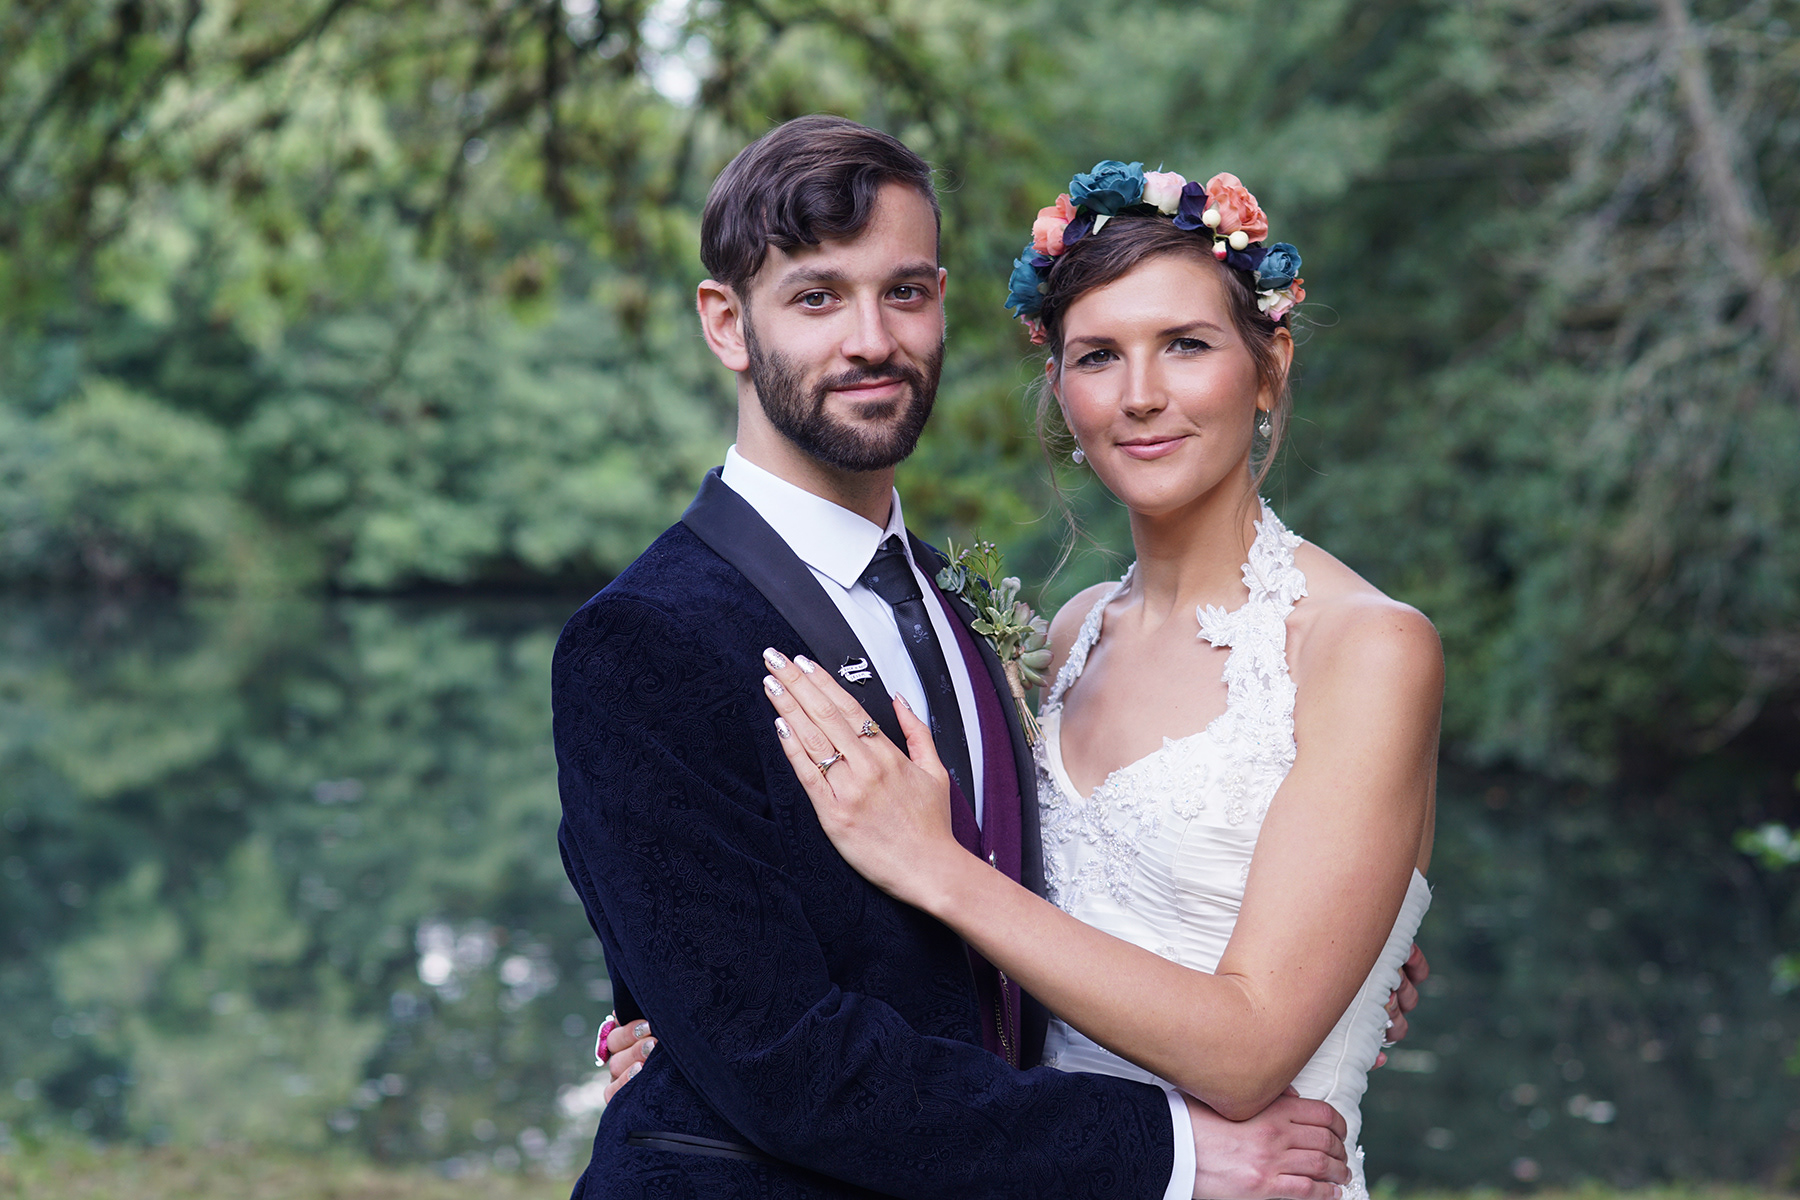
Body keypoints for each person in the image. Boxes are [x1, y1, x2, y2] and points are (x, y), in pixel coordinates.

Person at [554, 119, 1409, 1198]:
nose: (871, 339)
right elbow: (774, 1055)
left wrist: (1362, 957)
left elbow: (1053, 907)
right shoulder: (645, 638)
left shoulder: (971, 615)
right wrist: (1175, 1150)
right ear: (728, 323)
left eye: (904, 292)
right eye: (817, 298)